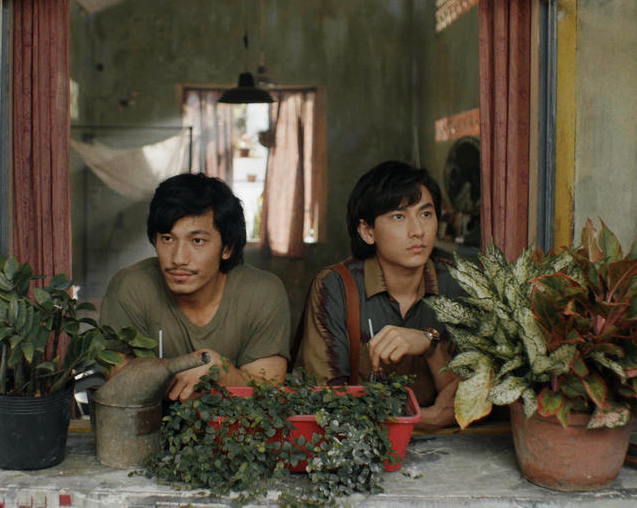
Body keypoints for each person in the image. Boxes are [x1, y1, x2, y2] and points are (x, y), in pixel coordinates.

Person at [294, 161, 463, 430]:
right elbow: (324, 400)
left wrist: (431, 345)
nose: (417, 230)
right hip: (359, 447)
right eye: (399, 216)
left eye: (426, 214)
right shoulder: (336, 286)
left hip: (452, 447)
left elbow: (474, 396)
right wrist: (421, 421)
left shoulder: (457, 283)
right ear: (367, 231)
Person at [100, 173, 291, 401]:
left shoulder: (262, 293)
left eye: (197, 241)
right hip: (149, 431)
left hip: (234, 433)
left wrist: (221, 373)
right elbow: (118, 385)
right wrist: (183, 368)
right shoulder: (130, 287)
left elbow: (268, 397)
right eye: (168, 239)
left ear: (227, 248)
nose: (179, 258)